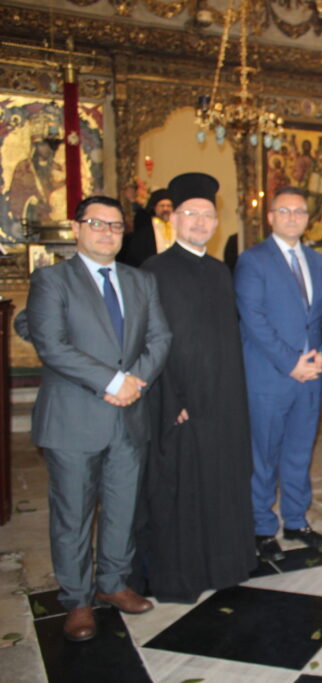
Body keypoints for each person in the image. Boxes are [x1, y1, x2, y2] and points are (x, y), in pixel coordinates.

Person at [25, 195, 171, 640]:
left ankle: (113, 582)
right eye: (97, 223)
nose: (107, 232)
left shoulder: (141, 280)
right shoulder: (52, 280)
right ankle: (77, 600)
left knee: (121, 509)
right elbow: (52, 345)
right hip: (74, 417)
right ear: (77, 228)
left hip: (129, 415)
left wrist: (135, 383)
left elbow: (160, 337)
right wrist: (112, 381)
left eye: (115, 225)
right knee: (73, 515)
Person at [133, 172, 257, 603]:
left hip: (223, 400)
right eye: (191, 214)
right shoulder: (154, 271)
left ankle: (223, 565)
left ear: (216, 223)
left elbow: (227, 340)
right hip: (180, 403)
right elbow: (151, 342)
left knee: (221, 482)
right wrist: (172, 400)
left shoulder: (221, 272)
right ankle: (181, 574)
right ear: (174, 219)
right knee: (181, 489)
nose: (201, 222)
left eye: (207, 215)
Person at [235, 186, 322, 562]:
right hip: (270, 377)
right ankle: (262, 527)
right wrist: (291, 362)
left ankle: (296, 521)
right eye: (284, 211)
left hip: (310, 378)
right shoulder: (253, 261)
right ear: (270, 217)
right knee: (264, 455)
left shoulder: (318, 263)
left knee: (299, 452)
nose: (292, 217)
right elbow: (254, 320)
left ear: (308, 219)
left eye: (299, 212)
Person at [121, 188, 174, 266]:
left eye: (169, 206)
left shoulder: (178, 225)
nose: (165, 209)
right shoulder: (146, 227)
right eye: (162, 206)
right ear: (154, 208)